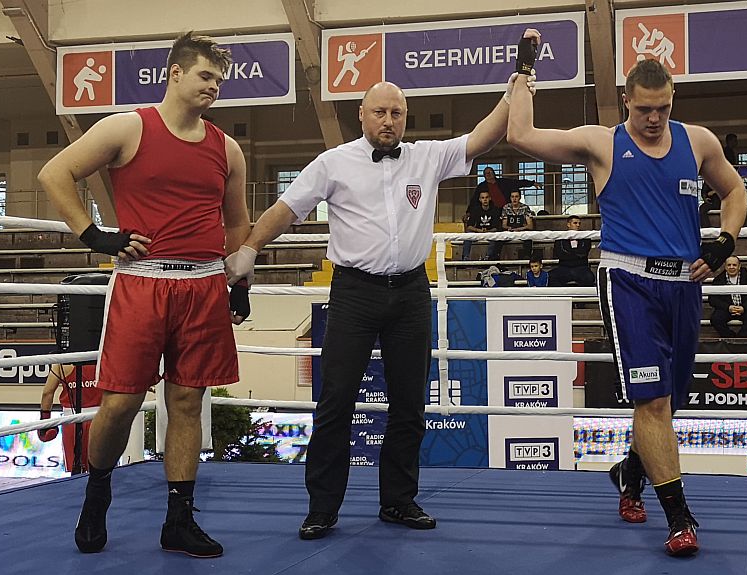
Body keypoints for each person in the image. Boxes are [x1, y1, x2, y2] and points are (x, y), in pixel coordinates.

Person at [225, 76, 516, 540]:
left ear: (406, 117)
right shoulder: (333, 162)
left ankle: (399, 502)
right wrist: (250, 249)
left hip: (411, 292)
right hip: (354, 293)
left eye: (396, 113)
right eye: (379, 112)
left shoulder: (427, 156)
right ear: (361, 115)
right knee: (336, 401)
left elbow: (485, 135)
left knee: (409, 403)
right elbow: (287, 207)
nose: (388, 120)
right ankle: (322, 508)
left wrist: (518, 84)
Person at [507, 31, 747, 557]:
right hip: (627, 280)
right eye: (644, 109)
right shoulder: (601, 142)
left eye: (662, 108)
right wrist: (524, 71)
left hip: (684, 283)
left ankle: (629, 473)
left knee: (670, 403)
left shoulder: (698, 141)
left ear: (672, 101)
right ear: (626, 102)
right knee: (652, 400)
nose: (654, 119)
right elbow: (520, 135)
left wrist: (726, 239)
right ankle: (680, 518)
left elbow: (735, 190)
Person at [38, 32, 251, 558]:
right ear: (174, 73)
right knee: (121, 403)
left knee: (186, 401)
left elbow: (237, 220)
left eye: (219, 81)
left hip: (203, 284)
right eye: (206, 76)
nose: (214, 88)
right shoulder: (128, 127)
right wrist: (93, 234)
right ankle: (97, 490)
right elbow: (54, 172)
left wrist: (239, 282)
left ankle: (179, 518)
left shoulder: (226, 146)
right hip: (142, 282)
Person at [38, 363, 103, 473]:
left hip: (71, 421)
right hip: (100, 419)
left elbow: (47, 393)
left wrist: (45, 420)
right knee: (101, 470)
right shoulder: (103, 357)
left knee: (75, 471)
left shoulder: (62, 362)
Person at [708, 255, 747, 337]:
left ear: (739, 266)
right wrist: (728, 307)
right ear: (725, 267)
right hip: (727, 309)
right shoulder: (718, 280)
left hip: (744, 309)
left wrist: (744, 308)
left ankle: (741, 339)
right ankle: (731, 338)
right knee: (716, 319)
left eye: (734, 265)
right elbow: (712, 299)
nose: (731, 267)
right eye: (729, 265)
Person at [699, 133, 738, 227]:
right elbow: (704, 191)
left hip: (720, 200)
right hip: (712, 201)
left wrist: (714, 192)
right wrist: (706, 196)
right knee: (702, 208)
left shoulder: (723, 178)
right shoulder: (709, 176)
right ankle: (706, 228)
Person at [466, 166, 540, 213]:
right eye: (486, 173)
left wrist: (532, 183)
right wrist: (468, 212)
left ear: (494, 173)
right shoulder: (481, 186)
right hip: (492, 211)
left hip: (506, 210)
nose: (488, 174)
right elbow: (474, 199)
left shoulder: (503, 182)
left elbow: (517, 183)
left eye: (490, 172)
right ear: (484, 176)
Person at [548, 215, 595, 287]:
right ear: (568, 224)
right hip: (564, 268)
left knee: (589, 277)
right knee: (550, 276)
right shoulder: (560, 238)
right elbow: (560, 254)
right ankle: (563, 296)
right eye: (575, 223)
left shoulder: (585, 238)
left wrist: (570, 254)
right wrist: (576, 254)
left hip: (581, 268)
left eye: (579, 223)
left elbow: (584, 253)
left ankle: (582, 297)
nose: (578, 225)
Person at [462, 190, 503, 260]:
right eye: (483, 198)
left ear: (490, 198)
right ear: (480, 199)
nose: (485, 200)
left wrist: (488, 231)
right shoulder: (475, 210)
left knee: (495, 237)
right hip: (478, 233)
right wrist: (479, 230)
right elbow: (469, 226)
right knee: (468, 235)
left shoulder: (495, 210)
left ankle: (488, 257)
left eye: (487, 197)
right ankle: (465, 258)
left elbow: (497, 228)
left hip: (490, 233)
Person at [502, 189, 535, 260]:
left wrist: (519, 229)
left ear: (520, 198)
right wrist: (510, 229)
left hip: (522, 232)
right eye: (512, 197)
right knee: (498, 239)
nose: (514, 199)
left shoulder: (525, 208)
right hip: (509, 232)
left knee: (528, 239)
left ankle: (527, 258)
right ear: (510, 198)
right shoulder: (506, 208)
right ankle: (496, 259)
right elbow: (504, 225)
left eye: (516, 196)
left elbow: (530, 226)